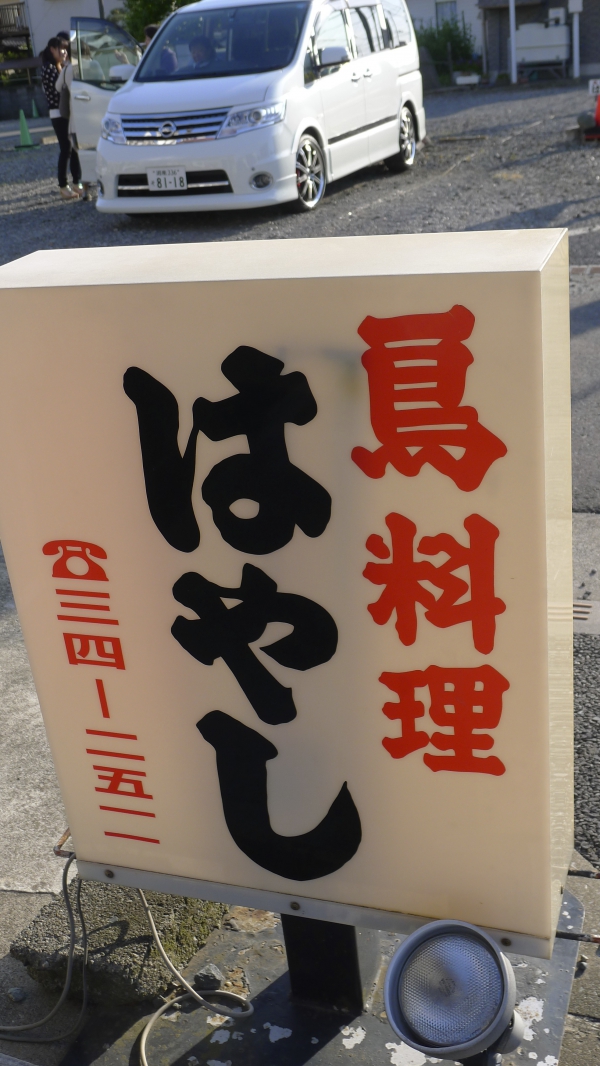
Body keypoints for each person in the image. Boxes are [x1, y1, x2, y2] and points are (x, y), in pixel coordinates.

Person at [40, 37, 82, 201]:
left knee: (73, 148)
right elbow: (59, 90)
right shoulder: (48, 68)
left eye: (65, 49)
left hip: (66, 112)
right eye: (61, 49)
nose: (64, 52)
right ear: (52, 49)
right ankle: (63, 186)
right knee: (66, 149)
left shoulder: (59, 66)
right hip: (58, 113)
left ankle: (76, 182)